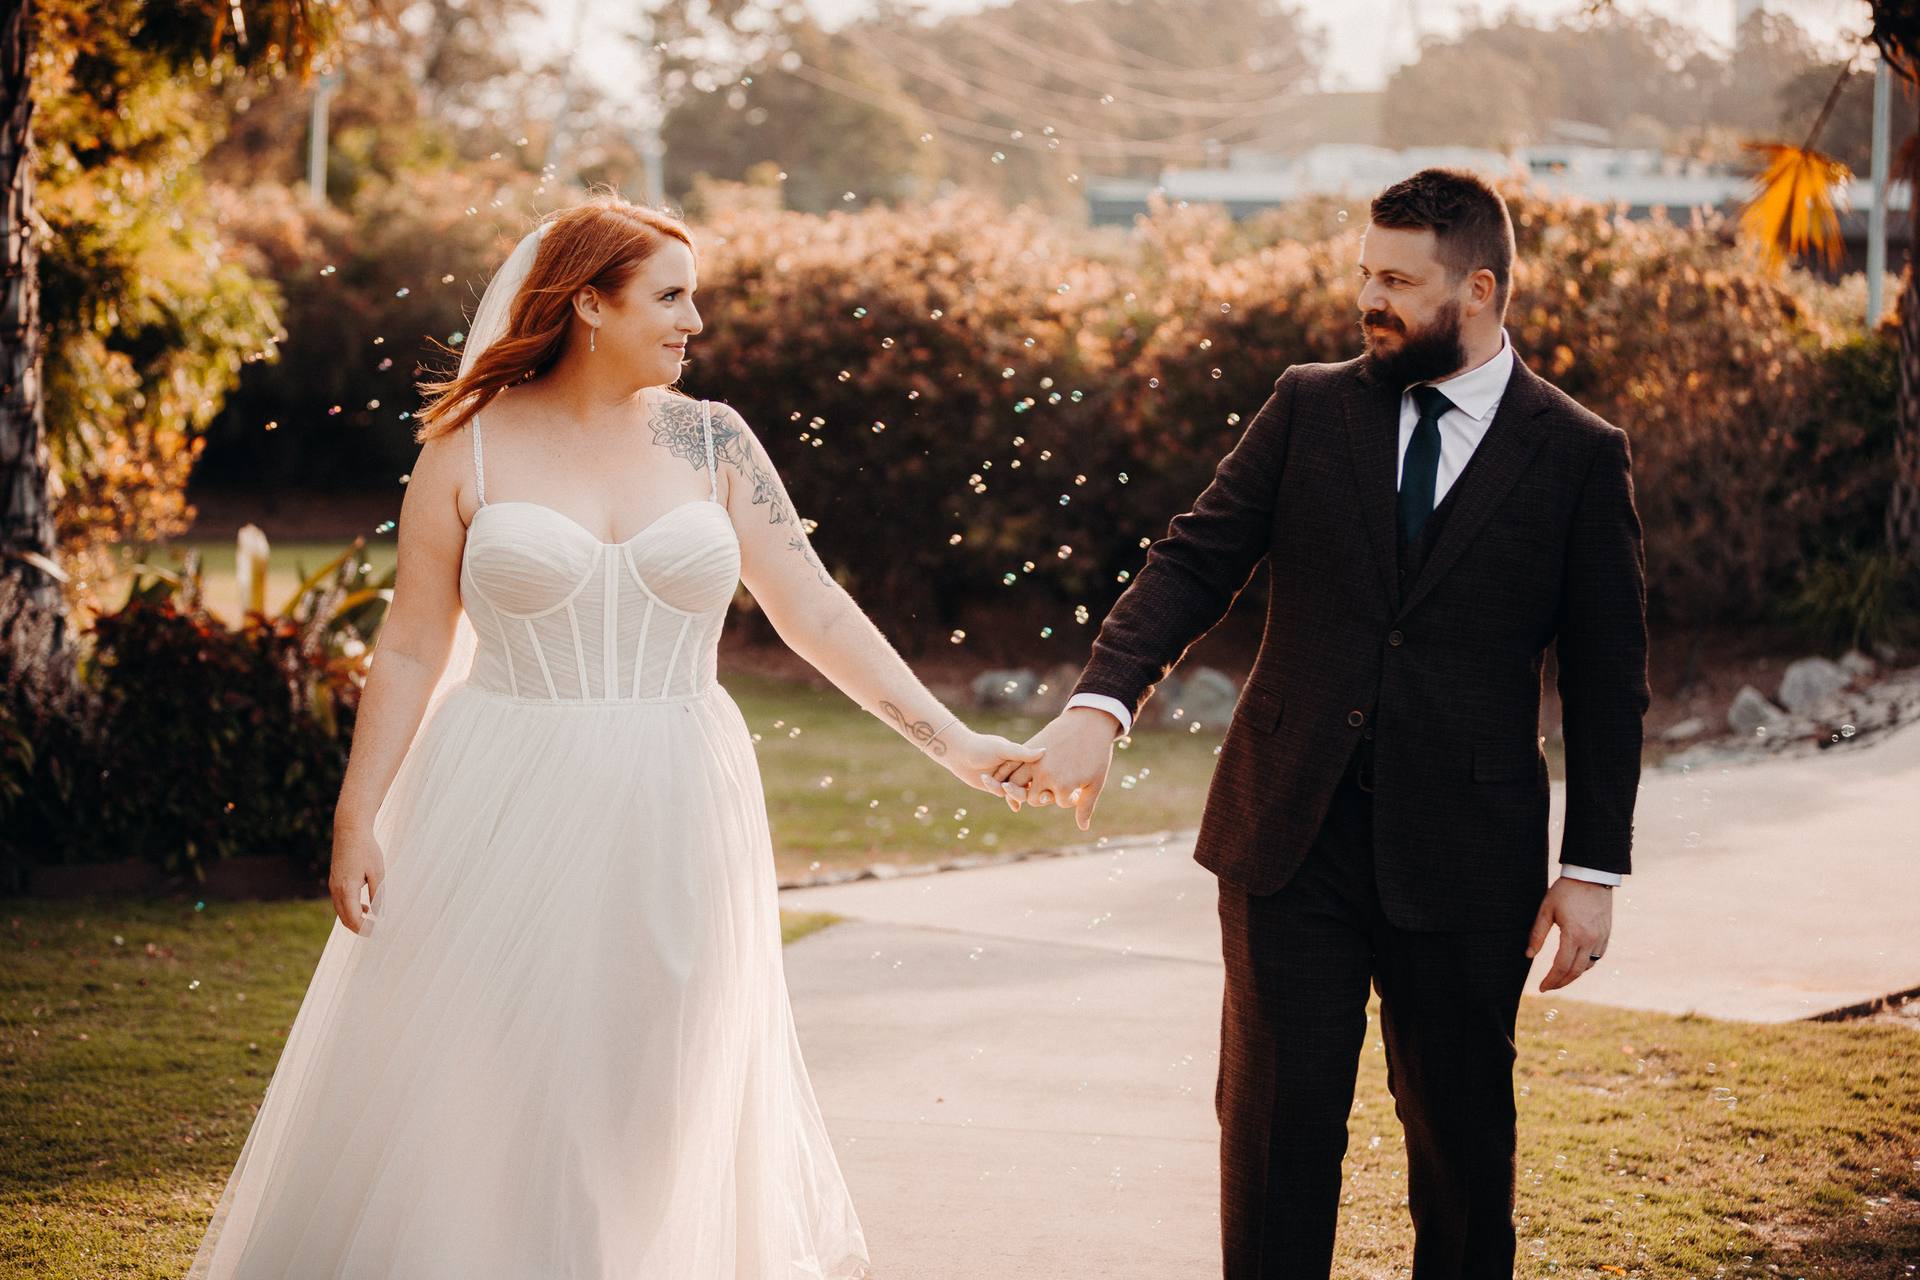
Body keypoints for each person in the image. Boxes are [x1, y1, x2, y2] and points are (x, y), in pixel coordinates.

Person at [186, 193, 1043, 1279]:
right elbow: (409, 644)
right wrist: (358, 811)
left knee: (660, 1075)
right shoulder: (469, 446)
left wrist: (955, 741)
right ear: (589, 301)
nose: (695, 322)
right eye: (671, 297)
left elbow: (816, 611)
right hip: (500, 789)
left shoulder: (714, 440)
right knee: (501, 1074)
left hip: (678, 792)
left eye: (695, 298)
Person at [998, 168, 1649, 1278]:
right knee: (1273, 1139)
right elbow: (1194, 560)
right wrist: (1104, 702)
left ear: (1480, 290)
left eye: (1398, 279)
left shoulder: (1579, 453)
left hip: (1465, 854)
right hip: (1285, 837)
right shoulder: (1310, 404)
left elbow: (1607, 677)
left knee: (1460, 1148)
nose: (1370, 299)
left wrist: (1592, 865)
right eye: (1364, 274)